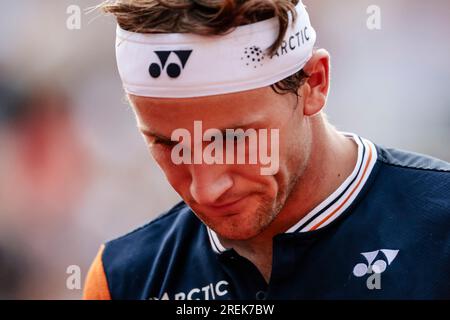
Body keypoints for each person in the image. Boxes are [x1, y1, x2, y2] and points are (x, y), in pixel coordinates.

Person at [84, 0, 450, 299]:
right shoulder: (123, 280)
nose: (205, 188)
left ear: (315, 83)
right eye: (167, 144)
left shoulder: (440, 226)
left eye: (233, 139)